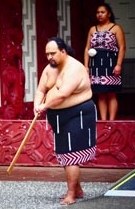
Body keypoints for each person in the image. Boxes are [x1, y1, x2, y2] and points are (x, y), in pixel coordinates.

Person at [34, 37, 97, 205]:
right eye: (47, 54)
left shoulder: (75, 68)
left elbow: (63, 95)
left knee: (71, 154)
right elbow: (41, 89)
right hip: (58, 115)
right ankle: (77, 189)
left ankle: (71, 194)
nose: (49, 57)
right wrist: (36, 104)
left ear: (63, 51)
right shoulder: (49, 69)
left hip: (78, 113)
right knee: (63, 153)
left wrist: (44, 106)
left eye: (52, 53)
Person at [84, 3, 126, 120]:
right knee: (101, 94)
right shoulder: (93, 29)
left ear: (109, 14)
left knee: (111, 93)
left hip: (111, 63)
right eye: (98, 12)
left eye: (102, 12)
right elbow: (87, 48)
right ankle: (103, 121)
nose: (99, 14)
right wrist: (86, 66)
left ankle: (112, 122)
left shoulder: (116, 28)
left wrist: (118, 64)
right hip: (96, 64)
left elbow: (122, 47)